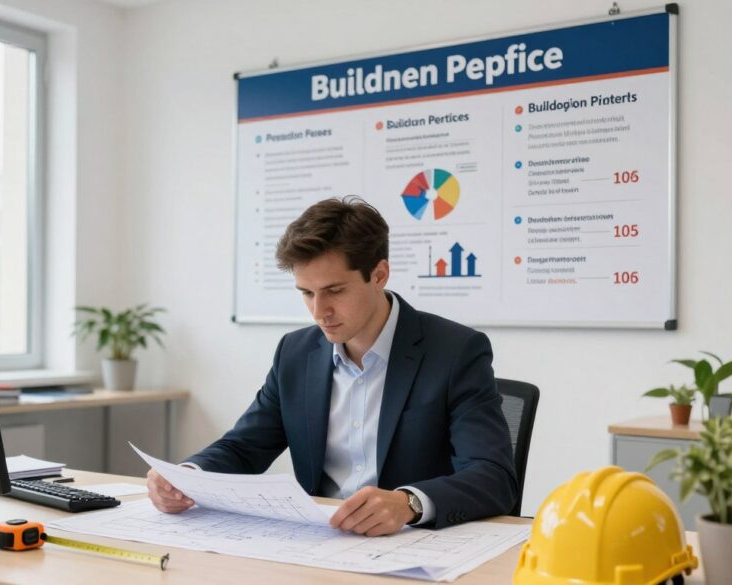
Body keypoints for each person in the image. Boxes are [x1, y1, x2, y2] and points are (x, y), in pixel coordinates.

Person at [147, 196, 517, 536]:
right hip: (321, 542)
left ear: (379, 274)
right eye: (307, 293)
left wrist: (409, 503)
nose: (319, 311)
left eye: (334, 291)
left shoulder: (454, 351)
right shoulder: (295, 353)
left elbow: (493, 476)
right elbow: (244, 447)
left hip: (412, 544)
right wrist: (186, 476)